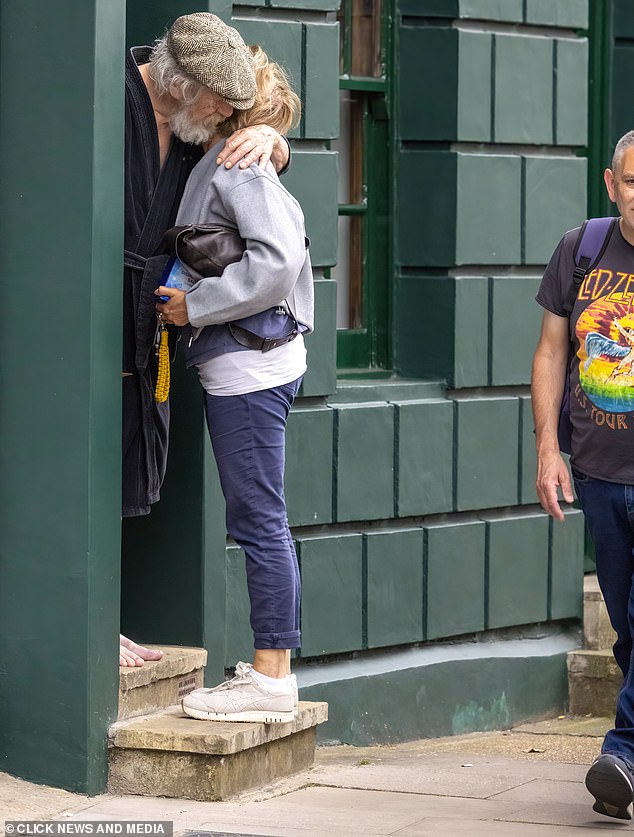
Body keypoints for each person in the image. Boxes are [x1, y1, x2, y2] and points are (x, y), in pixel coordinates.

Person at [120, 12, 292, 667]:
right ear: (178, 82)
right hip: (91, 321)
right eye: (218, 101)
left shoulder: (195, 132)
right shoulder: (113, 102)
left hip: (153, 329)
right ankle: (84, 623)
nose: (226, 115)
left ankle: (106, 618)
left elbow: (257, 177)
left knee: (127, 468)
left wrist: (275, 144)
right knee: (84, 469)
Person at [154, 47, 313, 722]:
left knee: (257, 519)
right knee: (261, 517)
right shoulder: (235, 157)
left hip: (249, 369)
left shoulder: (238, 167)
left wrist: (198, 305)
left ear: (231, 111)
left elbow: (277, 264)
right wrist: (276, 142)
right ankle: (272, 669)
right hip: (248, 366)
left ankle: (272, 678)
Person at [532, 130, 634, 820]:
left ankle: (622, 748)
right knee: (626, 626)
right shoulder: (582, 249)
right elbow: (549, 351)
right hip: (599, 471)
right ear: (610, 183)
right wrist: (547, 446)